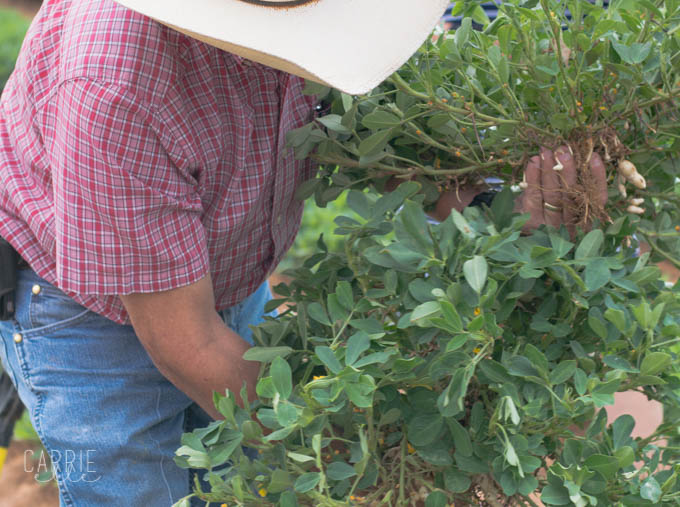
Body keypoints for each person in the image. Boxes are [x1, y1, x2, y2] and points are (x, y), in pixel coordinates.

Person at [0, 0, 606, 505]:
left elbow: (394, 156)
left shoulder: (309, 12)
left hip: (223, 262)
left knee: (229, 478)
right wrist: (373, 444)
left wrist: (510, 212)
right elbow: (195, 345)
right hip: (79, 302)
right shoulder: (116, 83)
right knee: (138, 489)